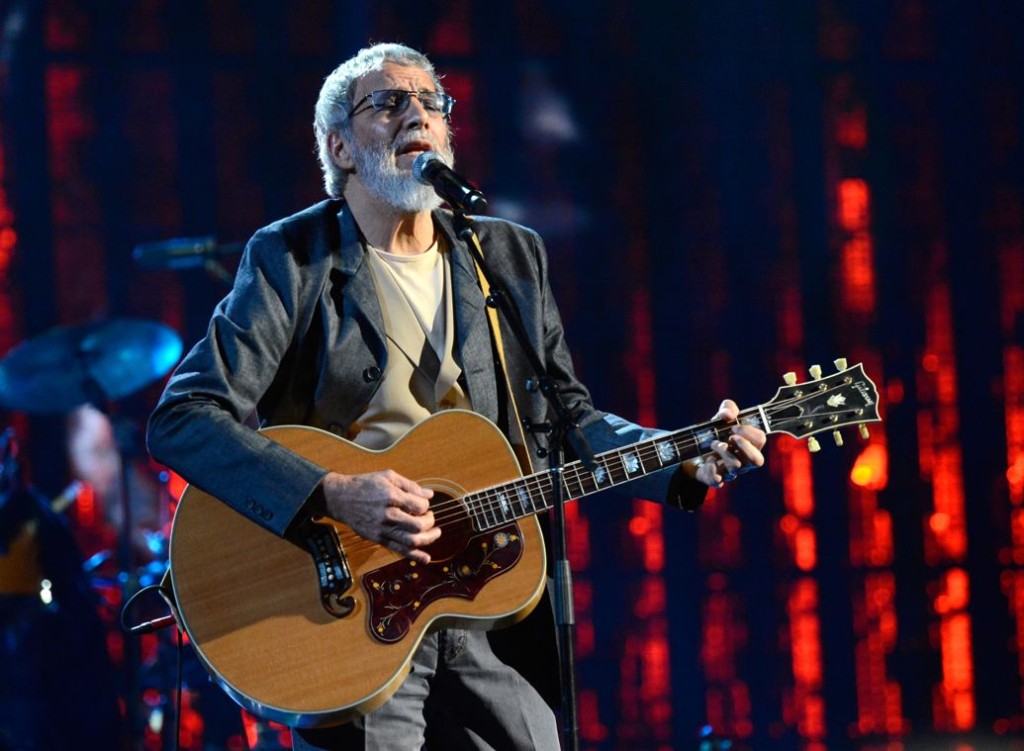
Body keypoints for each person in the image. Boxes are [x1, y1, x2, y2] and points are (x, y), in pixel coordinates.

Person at [146, 42, 767, 751]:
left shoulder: (505, 255)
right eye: (387, 102)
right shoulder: (293, 258)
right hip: (349, 609)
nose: (417, 112)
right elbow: (184, 418)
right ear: (340, 148)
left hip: (479, 597)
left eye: (431, 102)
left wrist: (686, 457)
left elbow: (569, 421)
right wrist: (333, 491)